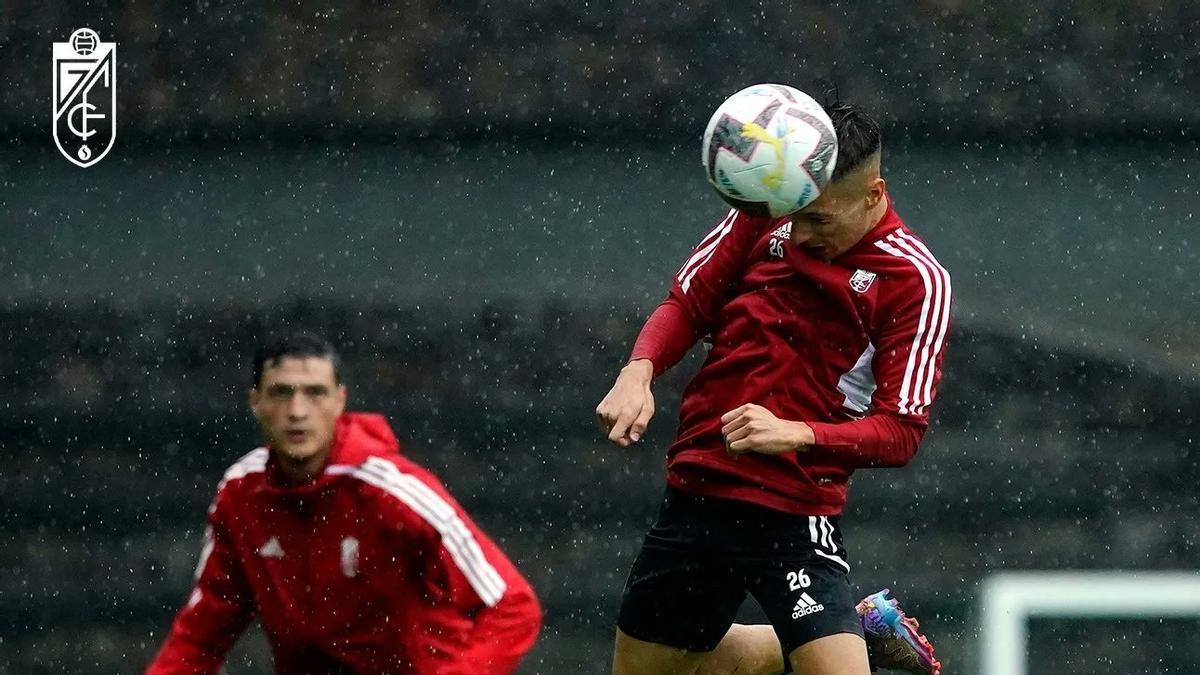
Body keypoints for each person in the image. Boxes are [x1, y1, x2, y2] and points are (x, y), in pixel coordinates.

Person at [596, 100, 947, 675]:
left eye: (821, 221)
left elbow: (902, 431)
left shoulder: (914, 278)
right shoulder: (772, 202)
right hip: (696, 492)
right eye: (797, 215)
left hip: (793, 508)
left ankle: (845, 636)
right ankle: (859, 626)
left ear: (873, 194)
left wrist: (797, 434)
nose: (801, 233)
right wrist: (638, 372)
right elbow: (687, 302)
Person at [146, 333, 542, 674]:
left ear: (339, 401)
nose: (297, 411)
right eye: (281, 393)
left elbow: (513, 605)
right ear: (255, 402)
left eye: (314, 393)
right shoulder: (241, 496)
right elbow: (201, 637)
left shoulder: (394, 492)